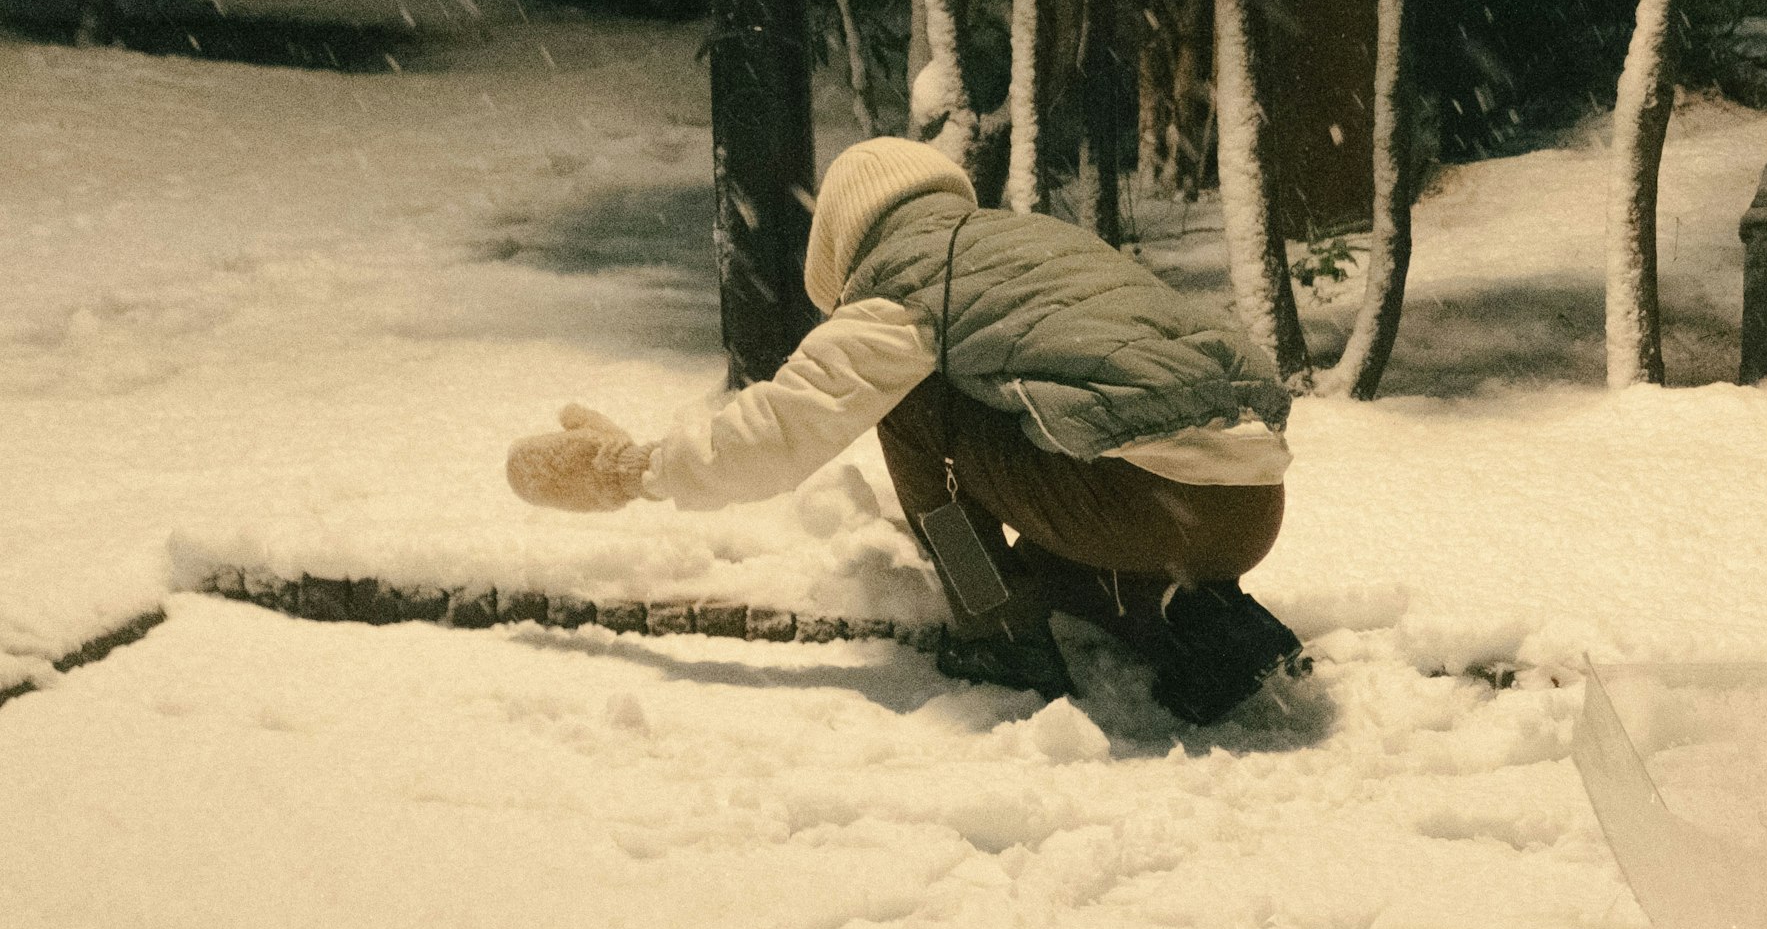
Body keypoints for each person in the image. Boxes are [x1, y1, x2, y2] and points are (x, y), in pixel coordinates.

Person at [504, 137, 1302, 723]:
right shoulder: (1033, 244)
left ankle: (997, 627)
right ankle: (1182, 614)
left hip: (1137, 503)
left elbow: (782, 432)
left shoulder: (912, 284)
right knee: (1032, 433)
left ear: (848, 247)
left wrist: (633, 468)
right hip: (1245, 509)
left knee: (910, 404)